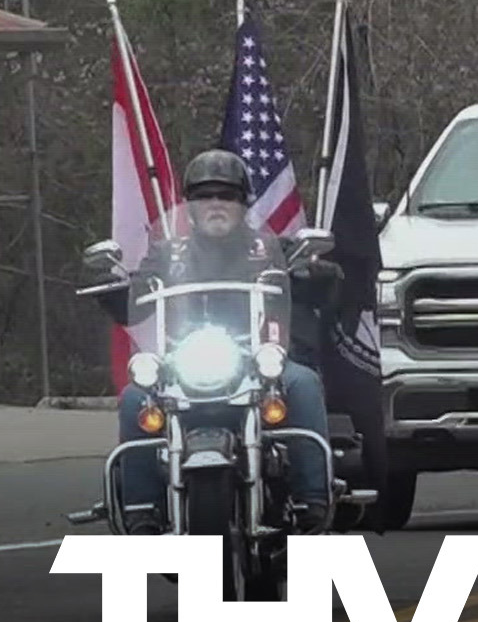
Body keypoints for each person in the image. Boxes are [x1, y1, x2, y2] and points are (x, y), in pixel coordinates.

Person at [89, 149, 341, 534]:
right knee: (134, 398)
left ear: (243, 204)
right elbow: (135, 301)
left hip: (257, 358)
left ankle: (313, 500)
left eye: (227, 196)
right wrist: (115, 288)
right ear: (190, 206)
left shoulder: (268, 249)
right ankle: (141, 508)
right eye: (205, 196)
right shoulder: (169, 254)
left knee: (303, 382)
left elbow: (318, 280)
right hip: (184, 361)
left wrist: (319, 273)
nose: (216, 204)